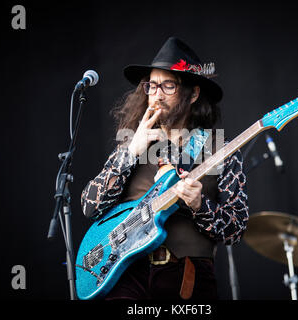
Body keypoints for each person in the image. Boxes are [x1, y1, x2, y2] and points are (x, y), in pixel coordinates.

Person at [81, 37, 249, 300]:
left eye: (168, 85)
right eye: (152, 85)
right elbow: (90, 206)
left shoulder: (222, 150)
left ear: (193, 94)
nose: (156, 94)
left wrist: (199, 205)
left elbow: (236, 229)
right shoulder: (133, 140)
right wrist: (129, 153)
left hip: (187, 279)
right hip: (126, 276)